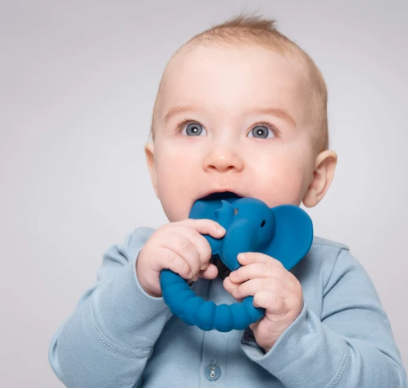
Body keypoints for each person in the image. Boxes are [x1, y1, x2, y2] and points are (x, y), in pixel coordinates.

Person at [48, 12, 407, 387]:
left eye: (261, 130)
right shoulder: (135, 261)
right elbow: (78, 374)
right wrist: (141, 291)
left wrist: (293, 334)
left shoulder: (331, 273)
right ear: (155, 170)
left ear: (315, 178)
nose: (222, 157)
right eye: (193, 128)